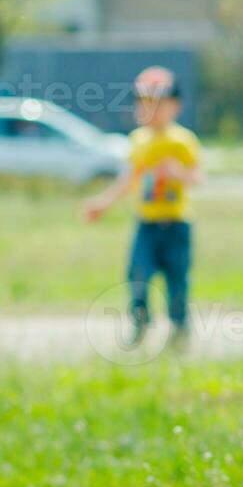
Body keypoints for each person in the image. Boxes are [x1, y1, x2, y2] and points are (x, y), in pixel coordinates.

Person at [82, 66, 201, 350]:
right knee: (137, 273)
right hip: (146, 223)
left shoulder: (182, 141)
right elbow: (129, 179)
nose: (150, 111)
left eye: (158, 105)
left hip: (176, 223)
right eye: (144, 104)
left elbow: (197, 178)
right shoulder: (138, 140)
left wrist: (177, 173)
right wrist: (103, 203)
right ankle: (140, 321)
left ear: (175, 106)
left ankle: (180, 325)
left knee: (177, 280)